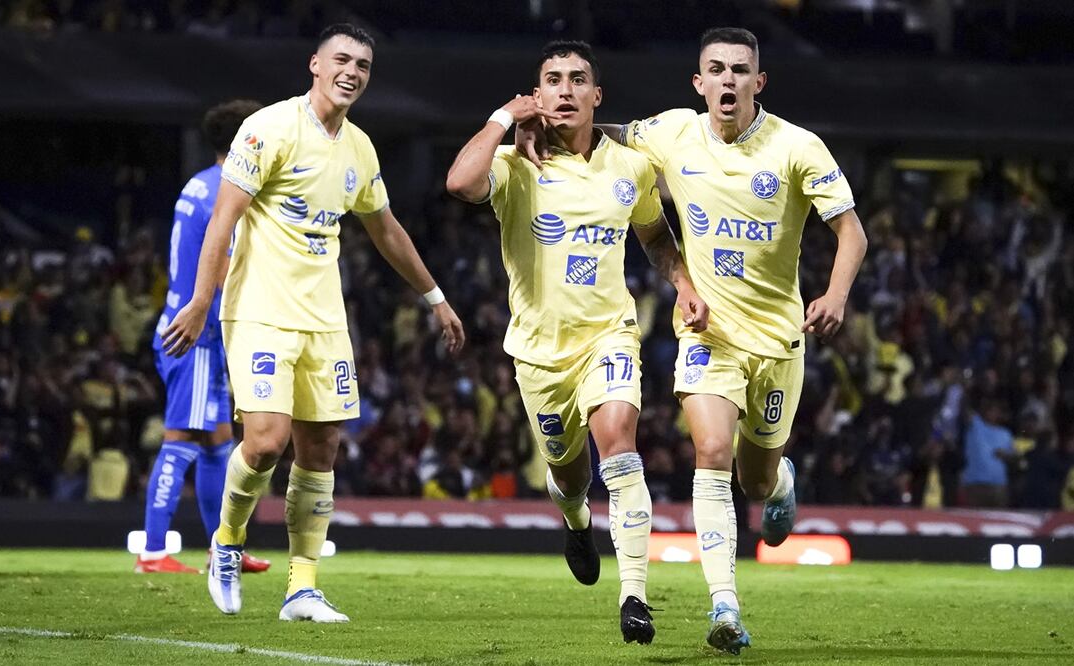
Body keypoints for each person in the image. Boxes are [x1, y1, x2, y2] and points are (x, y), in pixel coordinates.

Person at [520, 26, 868, 654]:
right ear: (698, 83)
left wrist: (836, 294)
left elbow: (852, 232)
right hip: (708, 331)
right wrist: (534, 125)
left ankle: (781, 482)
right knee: (710, 450)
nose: (728, 80)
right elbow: (601, 131)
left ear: (759, 82)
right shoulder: (672, 130)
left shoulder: (797, 147)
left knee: (756, 481)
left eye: (740, 70)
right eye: (716, 69)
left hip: (779, 338)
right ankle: (726, 608)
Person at [162, 23, 465, 622]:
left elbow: (386, 230)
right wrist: (200, 300)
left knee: (321, 449)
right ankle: (227, 542)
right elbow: (224, 219)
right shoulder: (268, 128)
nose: (352, 72)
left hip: (324, 317)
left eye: (363, 65)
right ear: (315, 66)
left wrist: (434, 297)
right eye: (342, 60)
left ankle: (302, 588)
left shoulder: (360, 147)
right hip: (258, 310)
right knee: (267, 441)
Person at [447, 40, 708, 645]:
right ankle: (574, 520)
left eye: (577, 80)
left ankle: (635, 596)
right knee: (568, 474)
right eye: (552, 80)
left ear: (597, 96)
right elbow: (459, 181)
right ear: (537, 95)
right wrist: (503, 118)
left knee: (617, 437)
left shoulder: (630, 167)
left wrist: (683, 283)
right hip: (539, 352)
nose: (564, 90)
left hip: (608, 335)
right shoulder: (514, 167)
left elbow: (656, 236)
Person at [138, 99, 271, 576]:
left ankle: (222, 550)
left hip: (196, 331)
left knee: (217, 443)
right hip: (195, 334)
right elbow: (223, 270)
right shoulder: (226, 191)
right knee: (181, 439)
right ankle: (152, 553)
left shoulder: (199, 183)